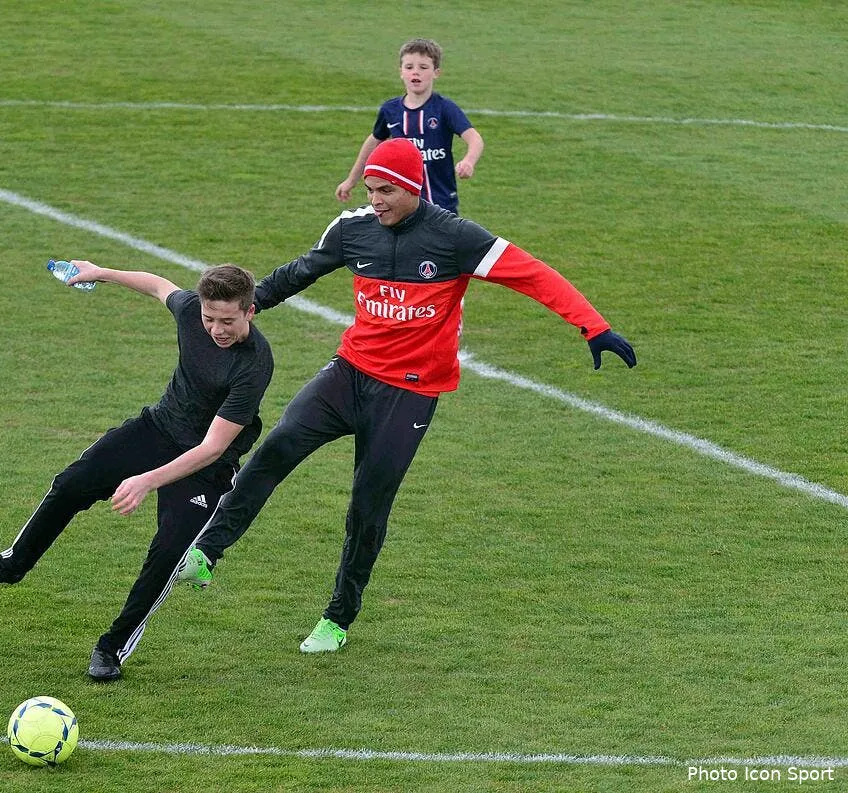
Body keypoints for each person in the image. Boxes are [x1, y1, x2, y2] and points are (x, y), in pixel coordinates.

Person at [179, 137, 635, 654]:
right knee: (278, 446)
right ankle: (207, 552)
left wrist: (592, 327)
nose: (375, 200)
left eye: (386, 191)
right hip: (349, 374)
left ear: (414, 188)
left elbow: (533, 275)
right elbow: (297, 273)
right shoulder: (354, 232)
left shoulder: (456, 238)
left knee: (367, 506)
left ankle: (336, 618)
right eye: (371, 189)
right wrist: (242, 310)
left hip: (410, 394)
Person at [0, 261, 273, 681]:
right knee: (71, 484)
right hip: (156, 429)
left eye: (227, 321)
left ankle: (112, 647)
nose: (216, 329)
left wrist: (147, 480)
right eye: (209, 318)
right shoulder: (190, 311)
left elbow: (212, 448)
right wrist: (99, 271)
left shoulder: (254, 364)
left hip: (205, 467)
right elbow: (158, 286)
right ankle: (12, 565)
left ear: (249, 312)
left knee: (168, 555)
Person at [335, 38, 484, 214]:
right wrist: (351, 180)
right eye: (409, 67)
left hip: (441, 204)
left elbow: (475, 138)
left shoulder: (444, 108)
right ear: (401, 72)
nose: (416, 72)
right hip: (401, 206)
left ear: (436, 72)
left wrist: (469, 161)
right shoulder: (390, 110)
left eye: (423, 67)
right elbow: (374, 142)